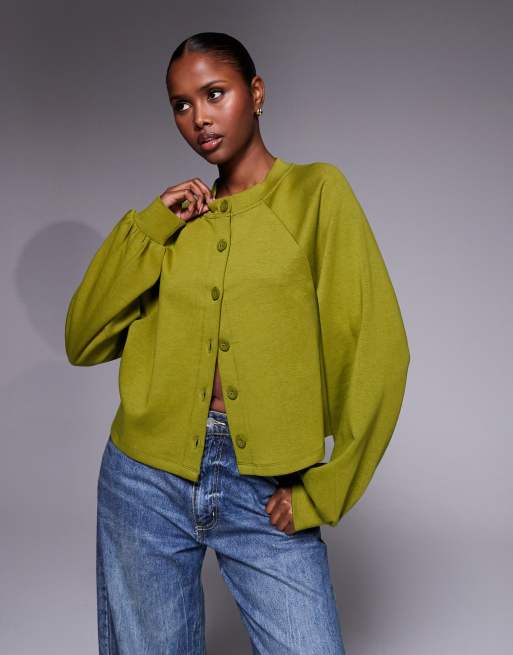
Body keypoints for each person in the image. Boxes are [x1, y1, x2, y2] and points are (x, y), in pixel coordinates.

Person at [65, 31, 410, 655]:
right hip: (145, 481)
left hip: (264, 484)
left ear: (256, 93)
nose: (198, 117)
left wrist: (324, 491)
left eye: (214, 94)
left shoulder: (315, 194)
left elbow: (377, 351)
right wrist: (152, 226)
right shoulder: (176, 225)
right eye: (181, 105)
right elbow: (82, 338)